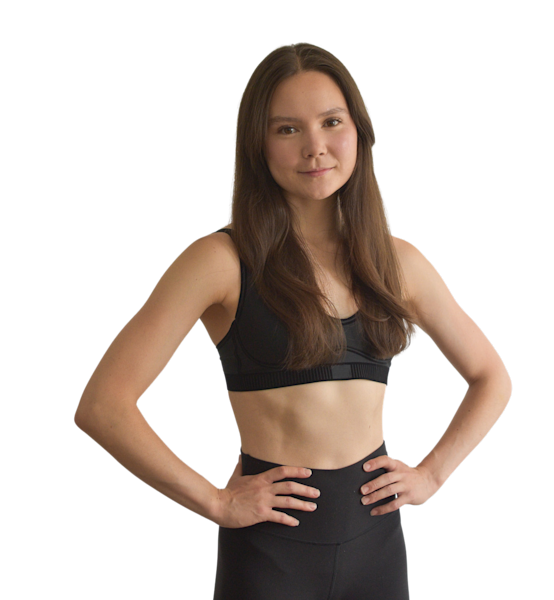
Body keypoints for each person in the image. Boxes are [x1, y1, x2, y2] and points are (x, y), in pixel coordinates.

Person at [75, 42, 512, 600]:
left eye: (331, 122)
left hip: (378, 548)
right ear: (258, 145)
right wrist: (214, 501)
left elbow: (491, 377)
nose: (315, 147)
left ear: (359, 131)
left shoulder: (397, 263)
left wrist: (431, 474)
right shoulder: (220, 261)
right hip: (270, 553)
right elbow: (103, 405)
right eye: (287, 129)